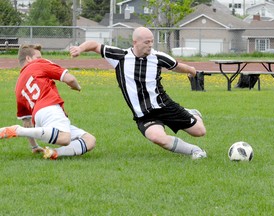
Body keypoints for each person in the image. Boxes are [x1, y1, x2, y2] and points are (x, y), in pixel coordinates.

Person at [70, 27, 207, 159]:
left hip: (164, 106)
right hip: (144, 115)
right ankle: (196, 151)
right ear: (135, 42)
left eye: (152, 41)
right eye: (146, 42)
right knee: (157, 138)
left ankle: (192, 113)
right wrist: (80, 49)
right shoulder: (120, 56)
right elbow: (94, 45)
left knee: (200, 132)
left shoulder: (158, 57)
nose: (150, 45)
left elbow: (177, 66)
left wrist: (193, 71)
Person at [0, 44, 96, 159]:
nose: (40, 59)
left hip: (40, 118)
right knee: (65, 138)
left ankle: (54, 153)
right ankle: (18, 131)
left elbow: (26, 121)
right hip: (50, 108)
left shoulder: (18, 86)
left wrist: (34, 147)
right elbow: (70, 79)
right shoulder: (38, 64)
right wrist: (77, 87)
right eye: (38, 57)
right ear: (28, 59)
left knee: (90, 140)